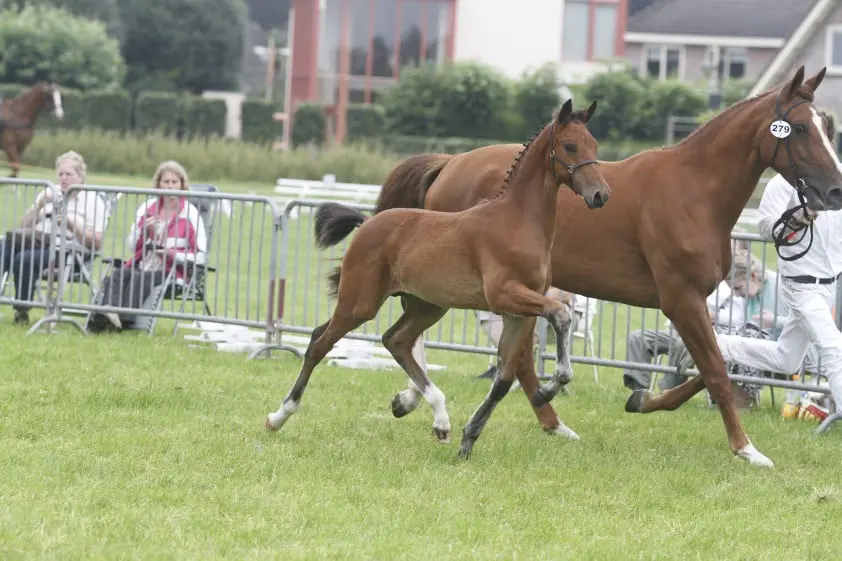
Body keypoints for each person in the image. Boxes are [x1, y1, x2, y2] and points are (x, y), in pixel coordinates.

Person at [716, 110, 842, 411]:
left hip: (830, 285)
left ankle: (715, 345)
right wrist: (800, 216)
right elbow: (766, 228)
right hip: (800, 286)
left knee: (787, 358)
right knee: (833, 346)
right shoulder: (782, 184)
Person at [623, 250, 787, 395]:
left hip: (724, 337)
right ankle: (638, 392)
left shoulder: (778, 286)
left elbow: (738, 321)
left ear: (752, 276)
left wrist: (774, 321)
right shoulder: (749, 292)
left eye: (738, 288)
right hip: (689, 330)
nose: (737, 294)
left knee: (685, 343)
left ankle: (667, 393)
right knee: (638, 337)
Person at [88, 160, 207, 333]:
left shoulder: (191, 213)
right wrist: (144, 230)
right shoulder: (146, 208)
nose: (170, 187)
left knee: (140, 278)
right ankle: (106, 314)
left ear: (182, 185)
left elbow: (201, 255)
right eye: (166, 182)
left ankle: (122, 318)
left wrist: (172, 254)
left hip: (172, 270)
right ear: (158, 184)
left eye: (174, 182)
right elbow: (131, 244)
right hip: (144, 263)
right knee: (119, 274)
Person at [0, 150, 106, 325]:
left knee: (24, 259)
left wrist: (70, 224)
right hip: (36, 241)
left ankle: (21, 311)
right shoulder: (49, 192)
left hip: (66, 252)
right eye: (60, 174)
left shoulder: (93, 200)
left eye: (69, 174)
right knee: (3, 246)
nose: (63, 178)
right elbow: (24, 226)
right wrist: (41, 204)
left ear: (81, 177)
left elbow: (97, 242)